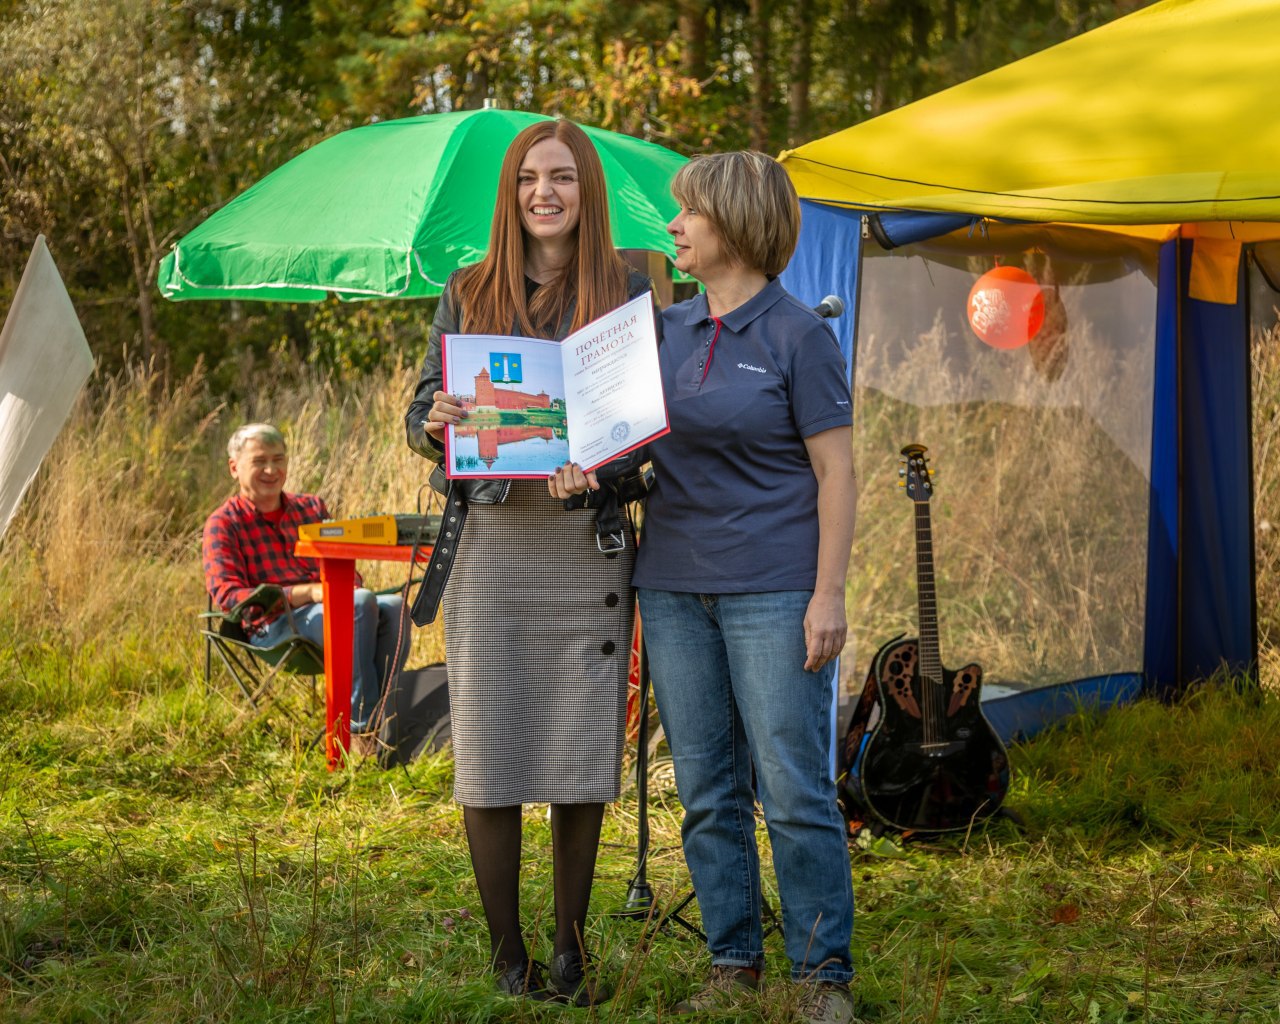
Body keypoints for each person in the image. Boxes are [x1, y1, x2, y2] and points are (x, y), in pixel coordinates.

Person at [404, 118, 655, 1006]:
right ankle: (509, 962)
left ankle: (571, 954)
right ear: (509, 197)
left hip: (583, 547)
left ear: (587, 191)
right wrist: (431, 422)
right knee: (494, 747)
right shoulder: (466, 291)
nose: (544, 193)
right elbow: (423, 413)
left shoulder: (629, 290)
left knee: (579, 750)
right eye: (527, 180)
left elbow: (643, 436)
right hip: (493, 548)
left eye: (562, 178)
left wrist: (607, 471)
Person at [632, 152, 860, 1023]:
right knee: (705, 787)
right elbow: (622, 439)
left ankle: (820, 976)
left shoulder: (800, 335)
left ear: (733, 222)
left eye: (687, 213)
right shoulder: (663, 331)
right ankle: (733, 961)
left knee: (794, 788)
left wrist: (827, 594)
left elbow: (836, 475)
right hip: (673, 588)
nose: (674, 227)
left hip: (773, 589)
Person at [202, 423, 409, 756]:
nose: (271, 470)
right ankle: (359, 732)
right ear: (234, 467)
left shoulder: (311, 508)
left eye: (278, 459)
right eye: (259, 461)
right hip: (274, 628)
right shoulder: (223, 523)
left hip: (336, 612)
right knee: (359, 603)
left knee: (395, 606)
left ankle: (390, 717)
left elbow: (348, 572)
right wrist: (307, 592)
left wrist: (337, 587)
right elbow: (228, 597)